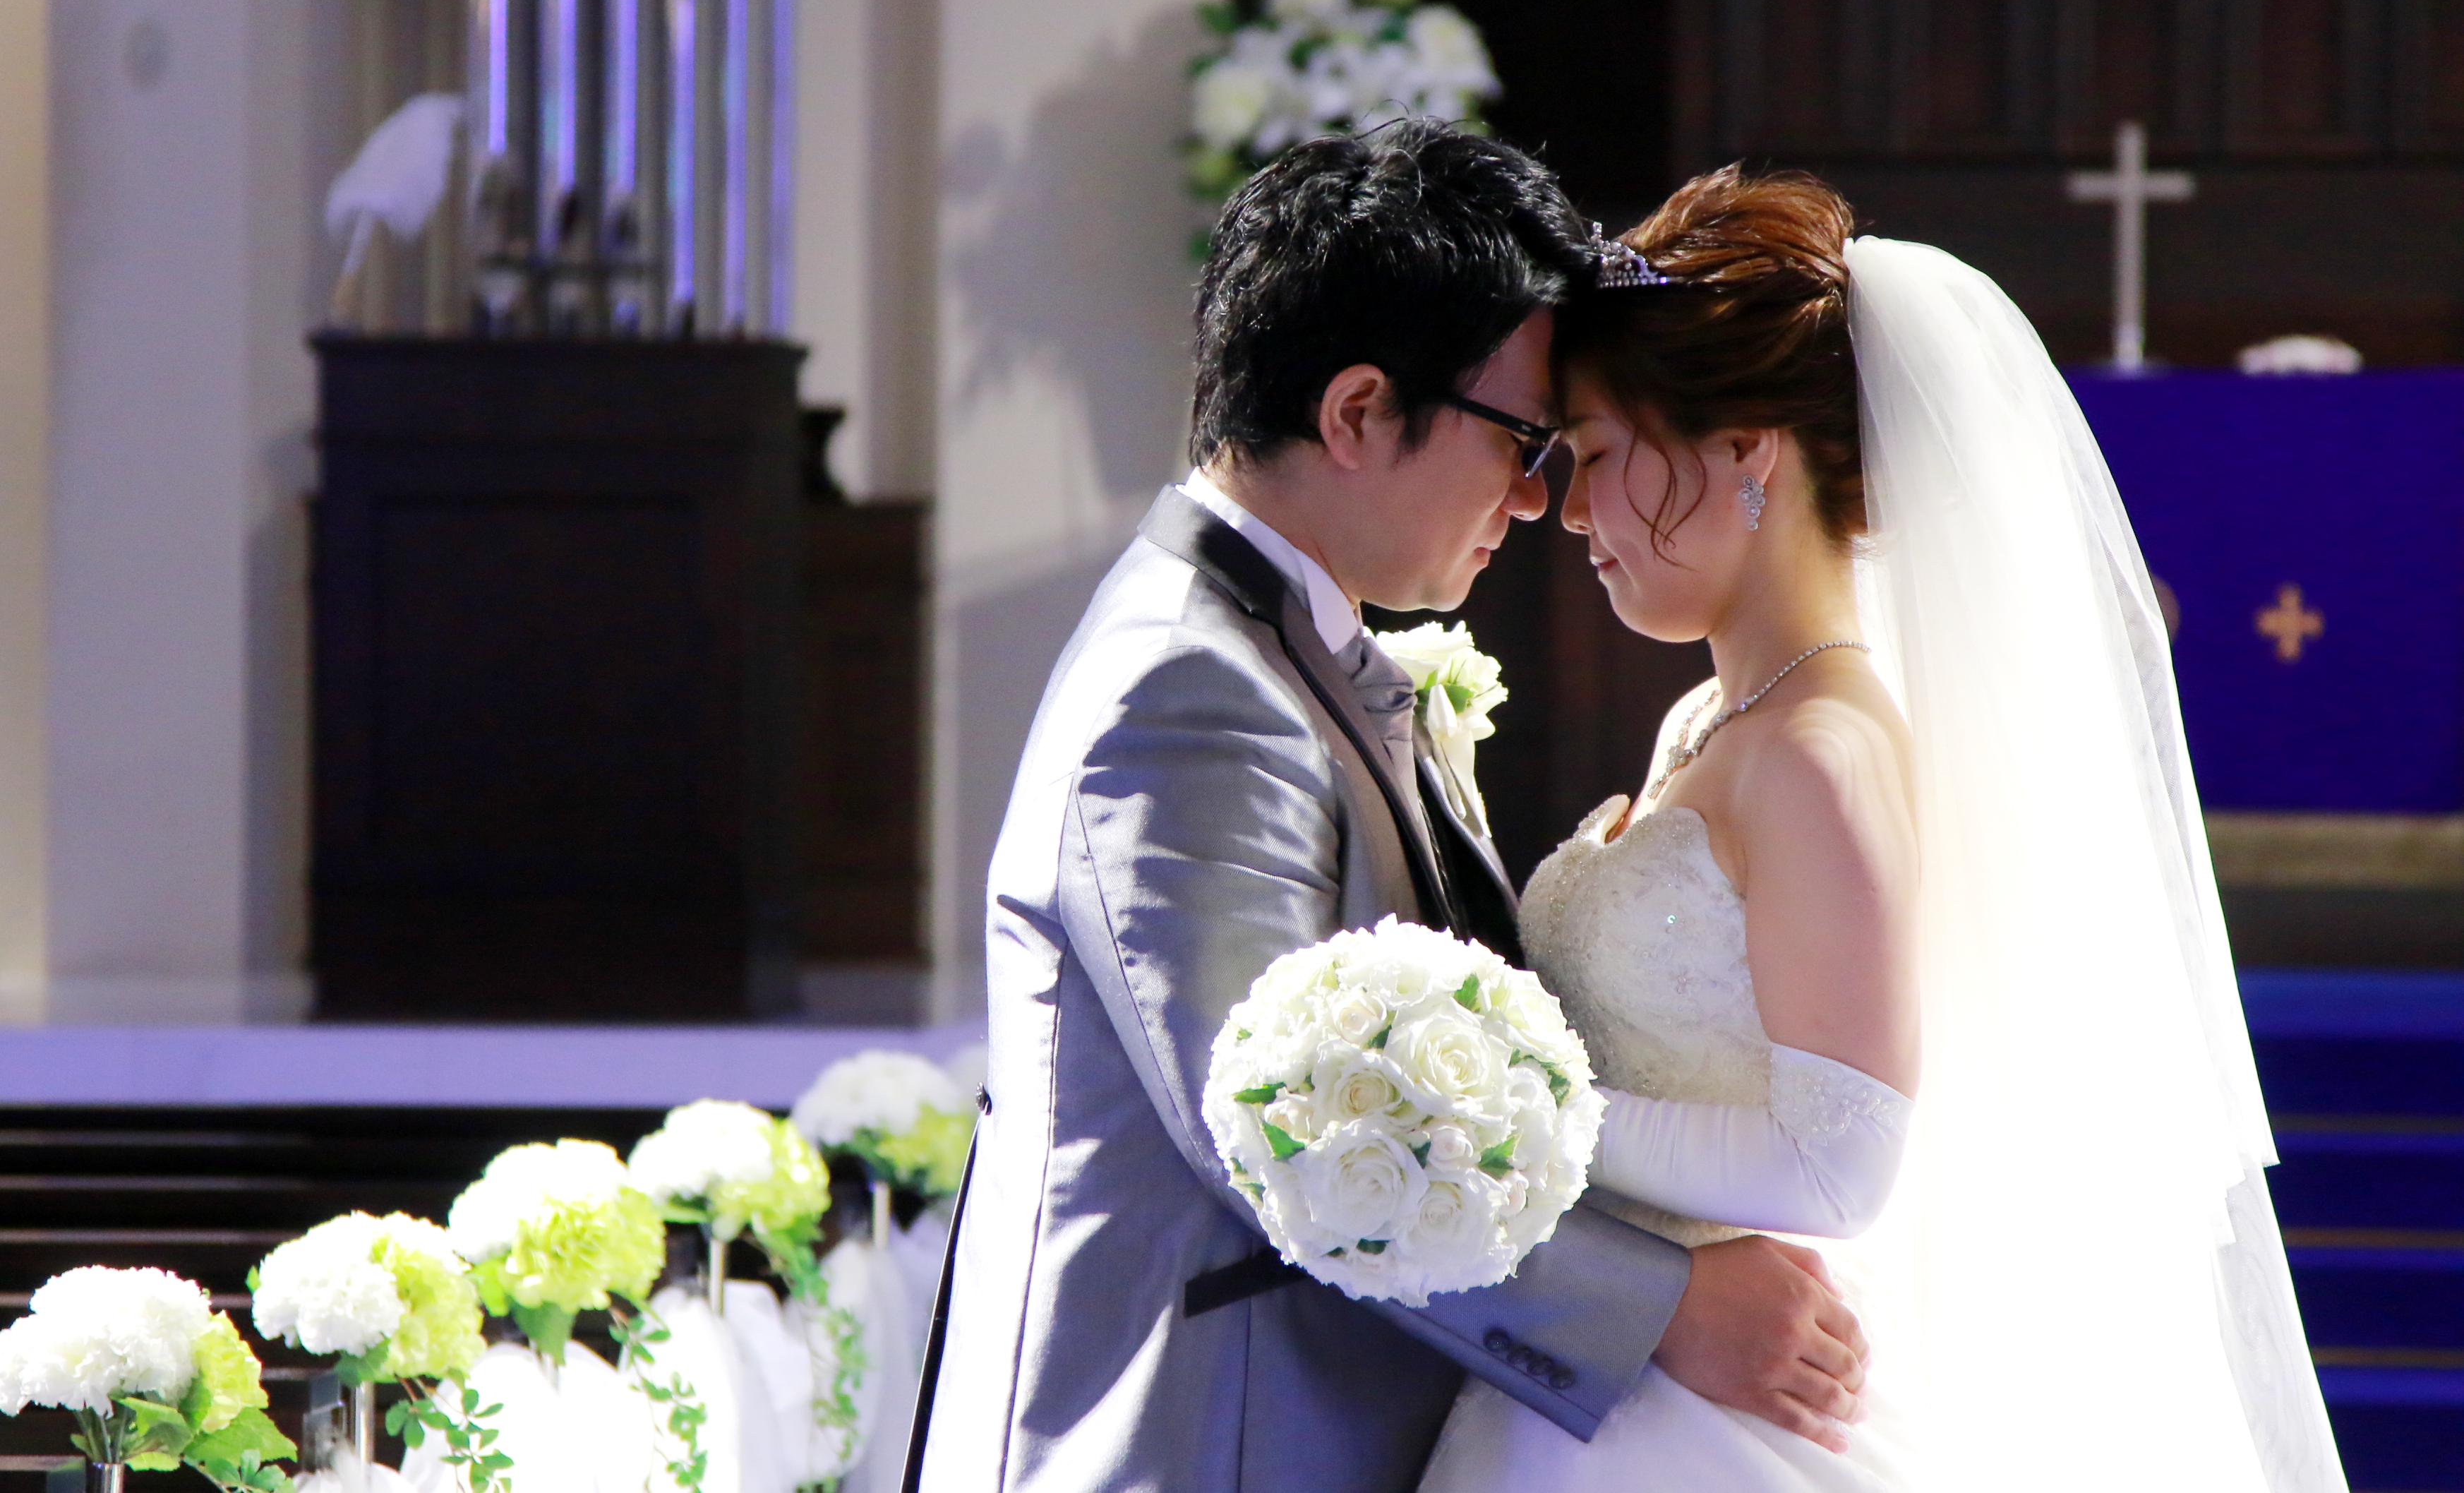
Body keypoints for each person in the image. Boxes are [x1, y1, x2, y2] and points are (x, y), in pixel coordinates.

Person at [911, 124, 1869, 1493]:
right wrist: (1661, 1308)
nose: (1538, 502)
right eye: (1526, 442)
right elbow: (1282, 1133)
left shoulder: (1286, 648)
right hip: (1207, 1445)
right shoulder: (1188, 693)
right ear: (1360, 412)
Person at [1417, 167, 2345, 1492]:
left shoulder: (1822, 755)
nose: (1570, 512)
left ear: (1746, 449)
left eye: (1602, 456)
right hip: (1628, 1373)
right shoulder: (1715, 719)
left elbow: (1837, 1161)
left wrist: (1516, 1114)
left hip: (1715, 1411)